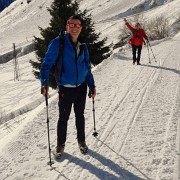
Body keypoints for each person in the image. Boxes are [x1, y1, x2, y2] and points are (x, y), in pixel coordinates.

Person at [40, 15, 96, 158]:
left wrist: (92, 85)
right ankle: (60, 145)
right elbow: (46, 64)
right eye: (72, 25)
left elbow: (87, 67)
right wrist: (44, 83)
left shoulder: (83, 45)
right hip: (65, 88)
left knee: (80, 116)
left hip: (81, 87)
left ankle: (81, 141)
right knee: (63, 118)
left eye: (78, 25)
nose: (75, 28)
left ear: (81, 28)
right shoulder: (58, 43)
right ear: (67, 26)